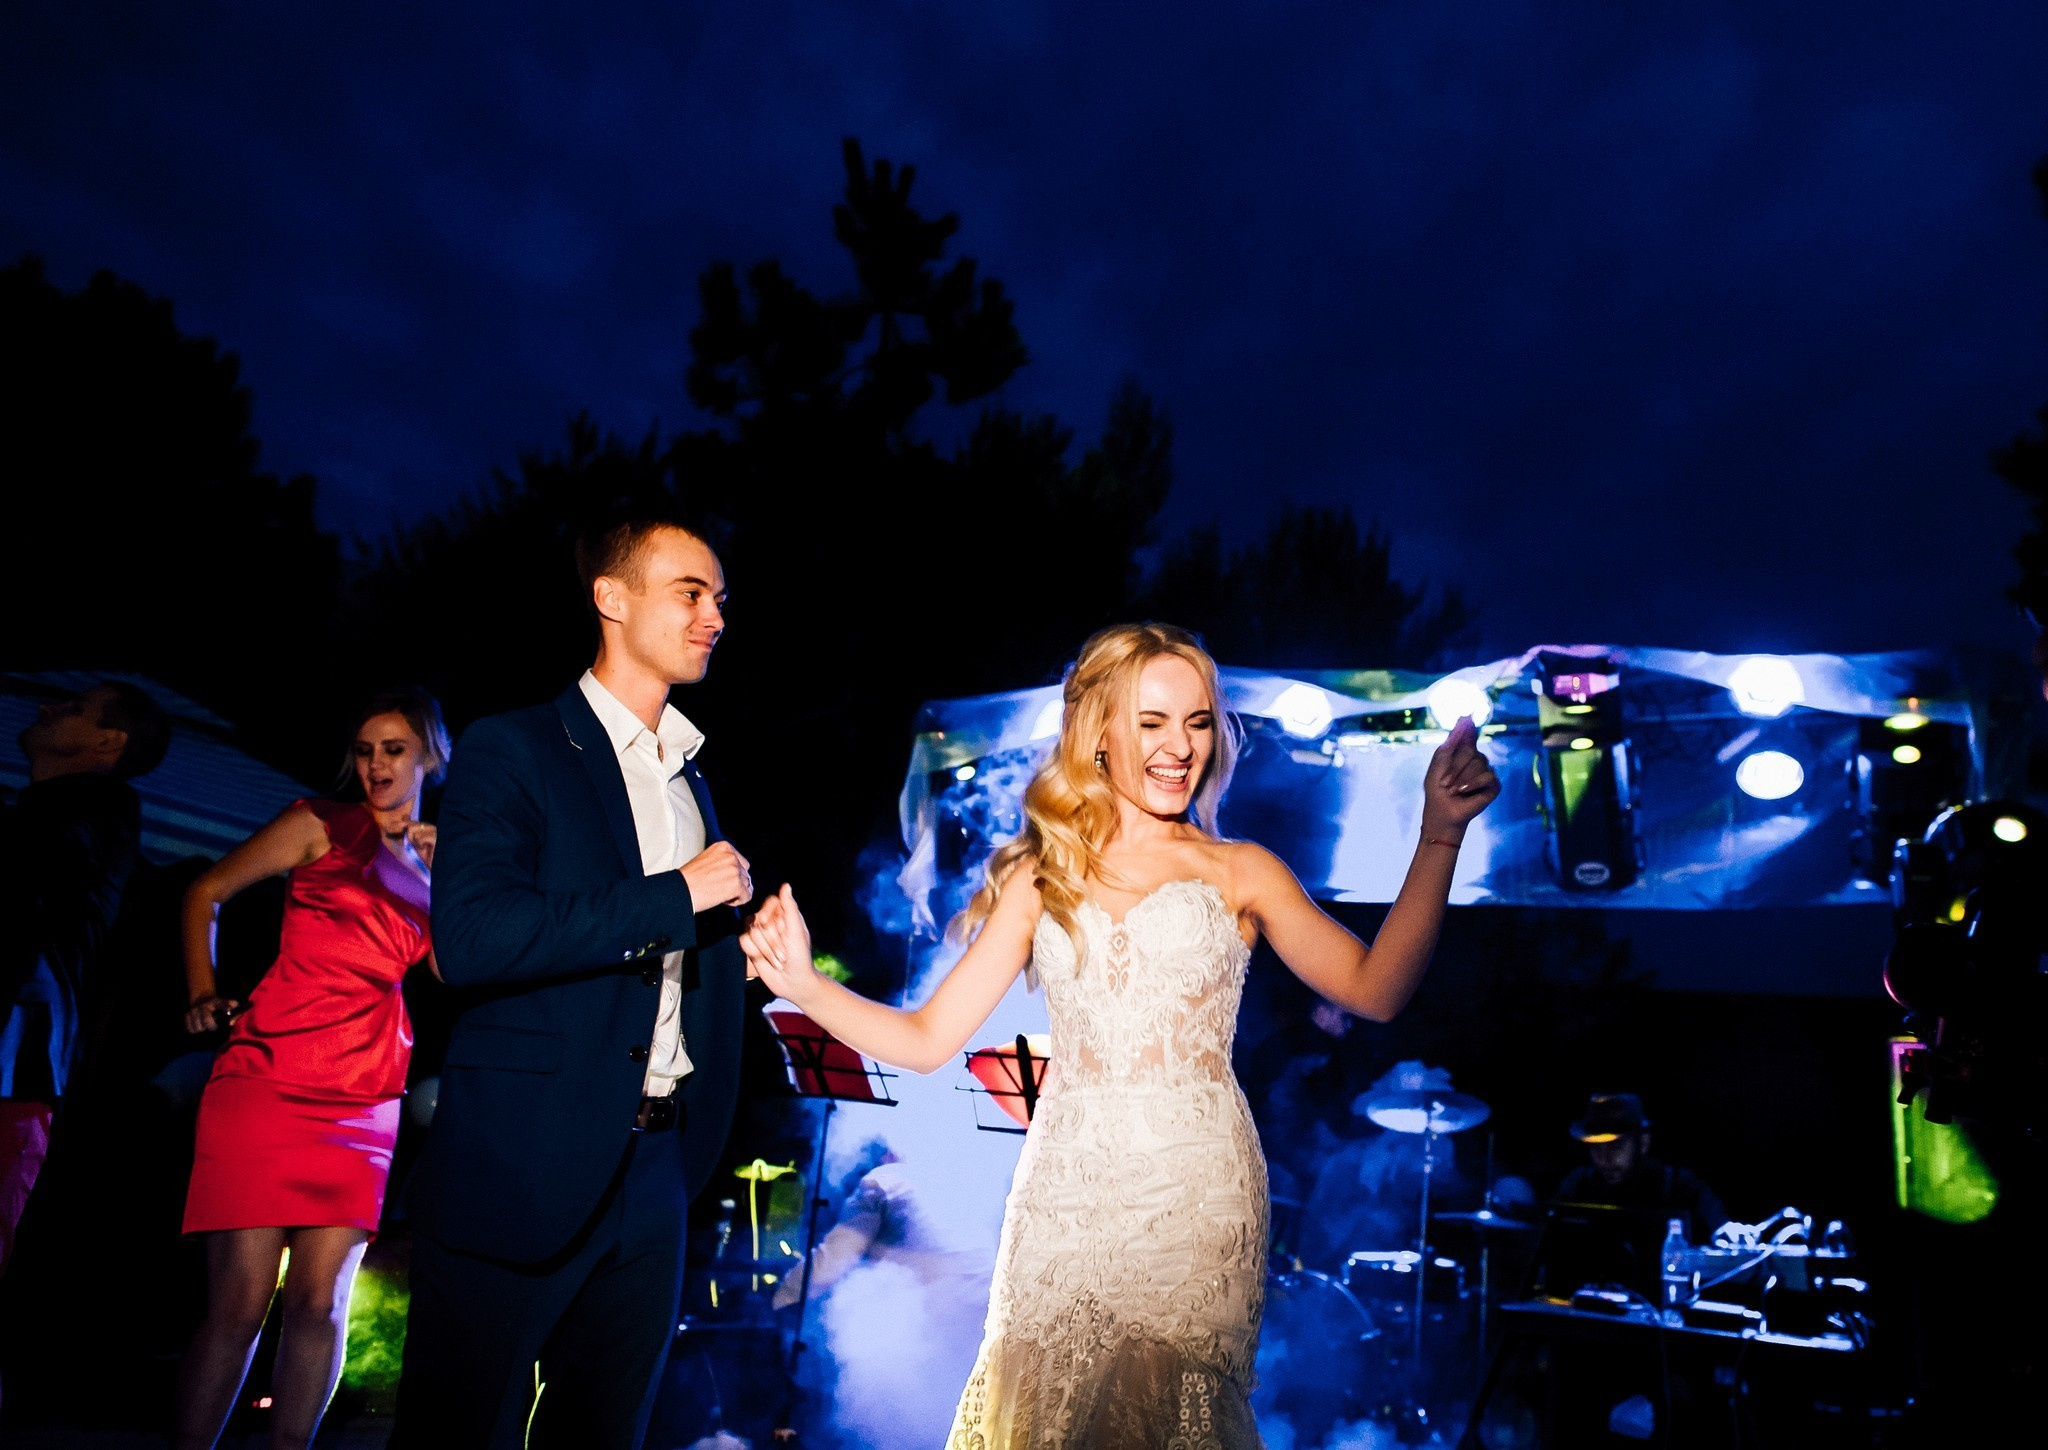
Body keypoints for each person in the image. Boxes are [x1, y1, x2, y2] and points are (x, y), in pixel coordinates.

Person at [744, 622, 1500, 1447]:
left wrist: (1440, 836)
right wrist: (806, 986)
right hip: (1065, 1192)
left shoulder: (1242, 870)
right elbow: (928, 1040)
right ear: (1099, 733)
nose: (1180, 746)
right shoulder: (1043, 872)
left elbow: (1377, 989)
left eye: (1198, 721)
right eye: (1152, 722)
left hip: (1198, 1190)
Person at [390, 516, 752, 1450]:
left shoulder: (691, 777)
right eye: (691, 592)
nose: (715, 615)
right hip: (524, 1158)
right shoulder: (514, 748)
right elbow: (470, 939)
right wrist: (677, 894)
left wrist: (745, 954)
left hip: (659, 1172)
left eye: (720, 599)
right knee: (458, 1430)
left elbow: (666, 968)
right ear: (612, 598)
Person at [174, 688, 449, 1450]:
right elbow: (205, 892)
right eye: (364, 750)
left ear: (430, 757)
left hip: (364, 1100)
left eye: (393, 749)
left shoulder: (440, 869)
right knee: (238, 1305)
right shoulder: (320, 826)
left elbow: (459, 972)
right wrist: (203, 991)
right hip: (268, 1078)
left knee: (321, 1305)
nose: (375, 765)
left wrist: (449, 878)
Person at [1, 680, 169, 1272]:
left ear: (108, 741)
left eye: (73, 706)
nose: (46, 706)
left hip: (17, 1061)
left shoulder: (103, 810)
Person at [1555, 1092, 1728, 1241]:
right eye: (1595, 1147)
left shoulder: (1680, 1185)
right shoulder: (1576, 1186)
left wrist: (1727, 1232)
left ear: (1643, 1143)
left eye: (1615, 1146)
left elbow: (1719, 1226)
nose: (1604, 1158)